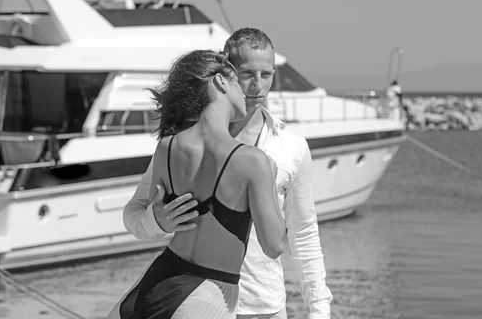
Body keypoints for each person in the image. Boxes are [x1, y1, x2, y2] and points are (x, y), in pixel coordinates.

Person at [123, 28, 334, 318]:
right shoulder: (183, 140)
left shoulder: (290, 147)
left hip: (262, 307)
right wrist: (156, 221)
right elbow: (134, 212)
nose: (257, 87)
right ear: (226, 73)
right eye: (248, 74)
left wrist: (319, 309)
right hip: (193, 299)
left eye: (267, 75)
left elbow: (305, 232)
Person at [106, 49, 287, 319]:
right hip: (205, 296)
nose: (245, 91)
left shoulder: (167, 146)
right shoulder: (253, 160)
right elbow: (274, 245)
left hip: (150, 286)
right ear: (220, 82)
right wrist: (270, 181)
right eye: (237, 80)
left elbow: (143, 208)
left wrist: (156, 222)